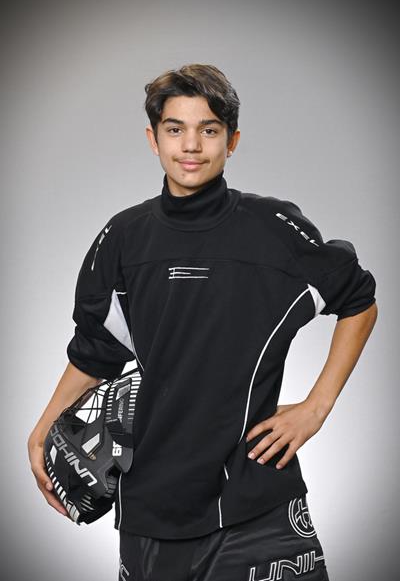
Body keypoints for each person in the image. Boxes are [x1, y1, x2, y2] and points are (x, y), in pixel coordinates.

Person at [28, 63, 378, 581]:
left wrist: (316, 407)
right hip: (150, 507)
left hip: (258, 502)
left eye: (208, 130)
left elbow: (358, 301)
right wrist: (43, 427)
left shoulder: (272, 230)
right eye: (175, 129)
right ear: (153, 139)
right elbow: (96, 350)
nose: (191, 145)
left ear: (232, 141)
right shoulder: (122, 238)